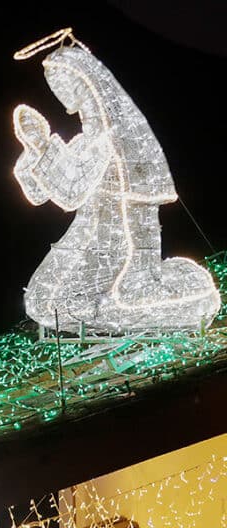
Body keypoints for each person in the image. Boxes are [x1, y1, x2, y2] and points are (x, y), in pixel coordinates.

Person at [12, 43, 220, 334]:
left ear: (84, 82)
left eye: (59, 82)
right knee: (42, 301)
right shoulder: (87, 141)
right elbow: (38, 194)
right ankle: (132, 307)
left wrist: (44, 146)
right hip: (91, 236)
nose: (58, 91)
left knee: (49, 303)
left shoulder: (110, 140)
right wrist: (34, 149)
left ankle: (182, 302)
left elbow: (71, 192)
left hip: (118, 245)